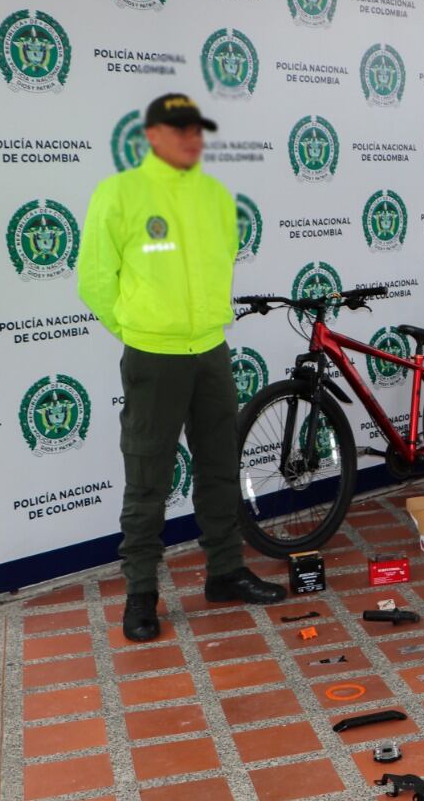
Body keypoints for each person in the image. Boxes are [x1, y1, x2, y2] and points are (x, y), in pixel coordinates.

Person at [79, 93, 286, 642]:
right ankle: (141, 594)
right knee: (147, 477)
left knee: (220, 465)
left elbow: (221, 267)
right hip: (154, 357)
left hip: (211, 353)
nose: (191, 139)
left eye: (197, 130)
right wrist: (140, 333)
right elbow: (95, 282)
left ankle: (224, 572)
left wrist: (200, 328)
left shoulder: (216, 197)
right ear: (151, 136)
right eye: (178, 130)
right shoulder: (120, 194)